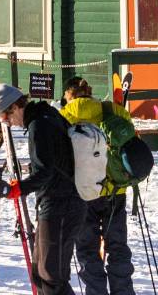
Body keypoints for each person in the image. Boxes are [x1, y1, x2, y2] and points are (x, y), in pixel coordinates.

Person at [0, 83, 82, 295]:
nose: (7, 123)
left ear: (15, 107)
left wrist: (15, 189)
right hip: (59, 202)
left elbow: (45, 172)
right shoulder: (46, 116)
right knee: (40, 273)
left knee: (51, 277)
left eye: (5, 117)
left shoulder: (40, 125)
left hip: (62, 204)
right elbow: (53, 161)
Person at [59, 77, 137, 295]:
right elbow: (131, 142)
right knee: (118, 247)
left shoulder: (63, 117)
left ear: (68, 94)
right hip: (115, 190)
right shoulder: (113, 110)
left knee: (87, 250)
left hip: (83, 192)